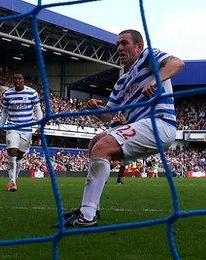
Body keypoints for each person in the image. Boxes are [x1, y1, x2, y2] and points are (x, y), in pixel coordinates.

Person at [63, 29, 184, 227]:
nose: (119, 48)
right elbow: (109, 115)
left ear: (138, 46)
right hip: (140, 125)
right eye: (118, 44)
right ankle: (92, 208)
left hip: (159, 123)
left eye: (124, 43)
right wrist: (96, 108)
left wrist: (155, 79)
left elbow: (177, 63)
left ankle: (87, 215)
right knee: (95, 143)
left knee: (102, 147)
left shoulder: (148, 56)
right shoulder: (121, 81)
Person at [0, 73, 43, 192]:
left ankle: (15, 178)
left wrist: (40, 126)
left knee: (19, 156)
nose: (18, 81)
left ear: (23, 80)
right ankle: (12, 182)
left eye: (20, 78)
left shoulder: (32, 93)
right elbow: (4, 111)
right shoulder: (7, 94)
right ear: (13, 81)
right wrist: (0, 126)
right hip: (12, 127)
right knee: (12, 153)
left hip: (27, 130)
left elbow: (37, 109)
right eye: (15, 79)